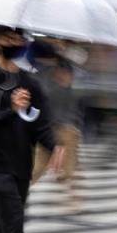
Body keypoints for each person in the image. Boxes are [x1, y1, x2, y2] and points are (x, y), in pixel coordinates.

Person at [0, 25, 63, 233]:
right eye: (9, 38)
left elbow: (40, 123)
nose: (15, 43)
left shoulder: (31, 83)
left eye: (19, 39)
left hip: (21, 162)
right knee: (14, 226)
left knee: (3, 229)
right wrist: (12, 110)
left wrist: (54, 145)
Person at [30, 41, 83, 212]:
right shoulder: (45, 76)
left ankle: (73, 200)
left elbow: (70, 104)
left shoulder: (46, 74)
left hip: (63, 128)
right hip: (53, 127)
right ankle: (16, 194)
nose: (67, 77)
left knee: (69, 165)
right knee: (40, 166)